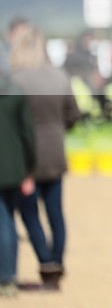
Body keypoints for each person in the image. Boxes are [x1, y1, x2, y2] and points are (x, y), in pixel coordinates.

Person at [9, 23, 81, 290]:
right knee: (55, 214)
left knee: (29, 214)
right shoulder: (59, 77)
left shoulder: (13, 79)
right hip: (55, 153)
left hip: (25, 157)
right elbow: (73, 115)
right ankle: (58, 263)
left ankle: (46, 262)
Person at [0, 50, 36, 298]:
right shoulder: (15, 92)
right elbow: (28, 136)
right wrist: (29, 170)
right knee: (7, 222)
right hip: (13, 169)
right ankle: (9, 278)